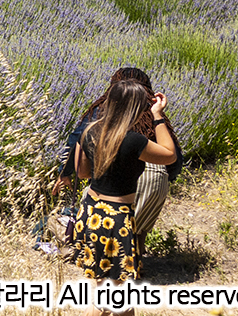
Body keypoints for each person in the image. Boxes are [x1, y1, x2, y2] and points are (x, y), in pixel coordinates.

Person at [72, 79, 176, 313]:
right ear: (137, 109)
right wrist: (158, 115)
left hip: (90, 214)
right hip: (116, 221)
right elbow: (170, 155)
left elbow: (82, 172)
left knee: (105, 288)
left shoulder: (89, 131)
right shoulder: (134, 141)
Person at [56, 67, 181, 243]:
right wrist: (158, 116)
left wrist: (65, 172)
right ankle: (135, 253)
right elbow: (174, 157)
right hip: (154, 180)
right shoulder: (150, 118)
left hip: (104, 198)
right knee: (134, 237)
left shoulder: (97, 119)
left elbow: (77, 143)